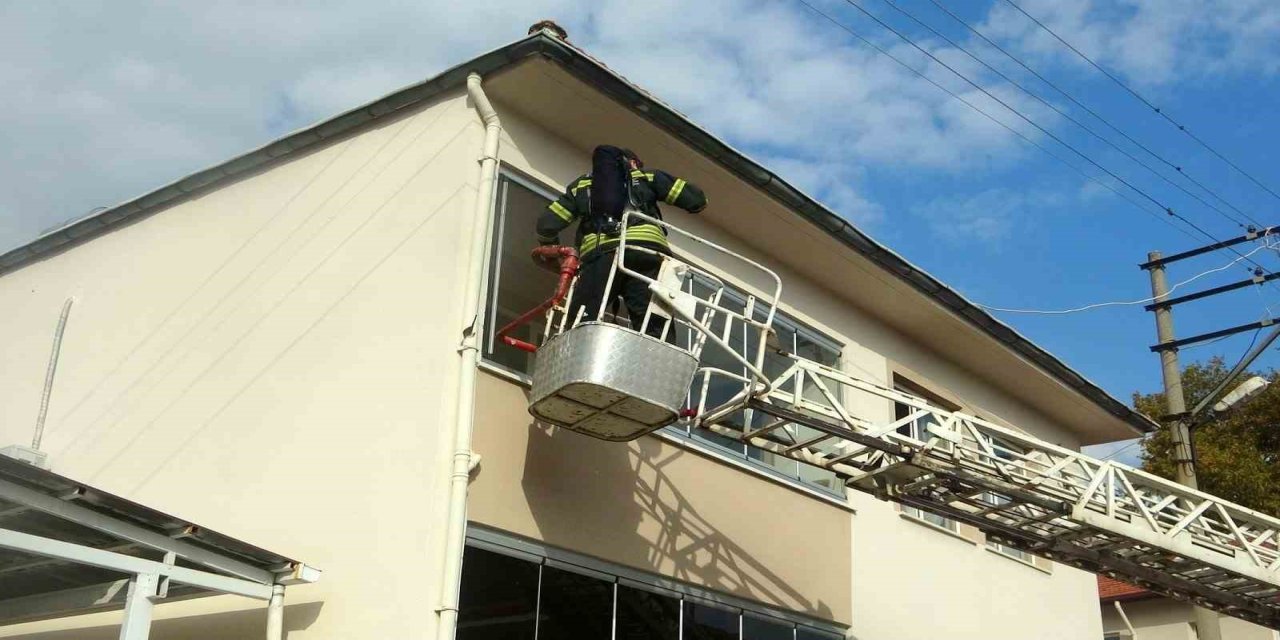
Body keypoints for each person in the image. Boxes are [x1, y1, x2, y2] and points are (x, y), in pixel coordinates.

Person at [536, 145, 707, 339]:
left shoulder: (581, 186)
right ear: (632, 163)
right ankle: (658, 351)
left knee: (581, 319)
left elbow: (546, 225)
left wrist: (552, 250)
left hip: (601, 255)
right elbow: (696, 200)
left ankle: (573, 344)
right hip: (648, 255)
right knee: (653, 323)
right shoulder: (646, 177)